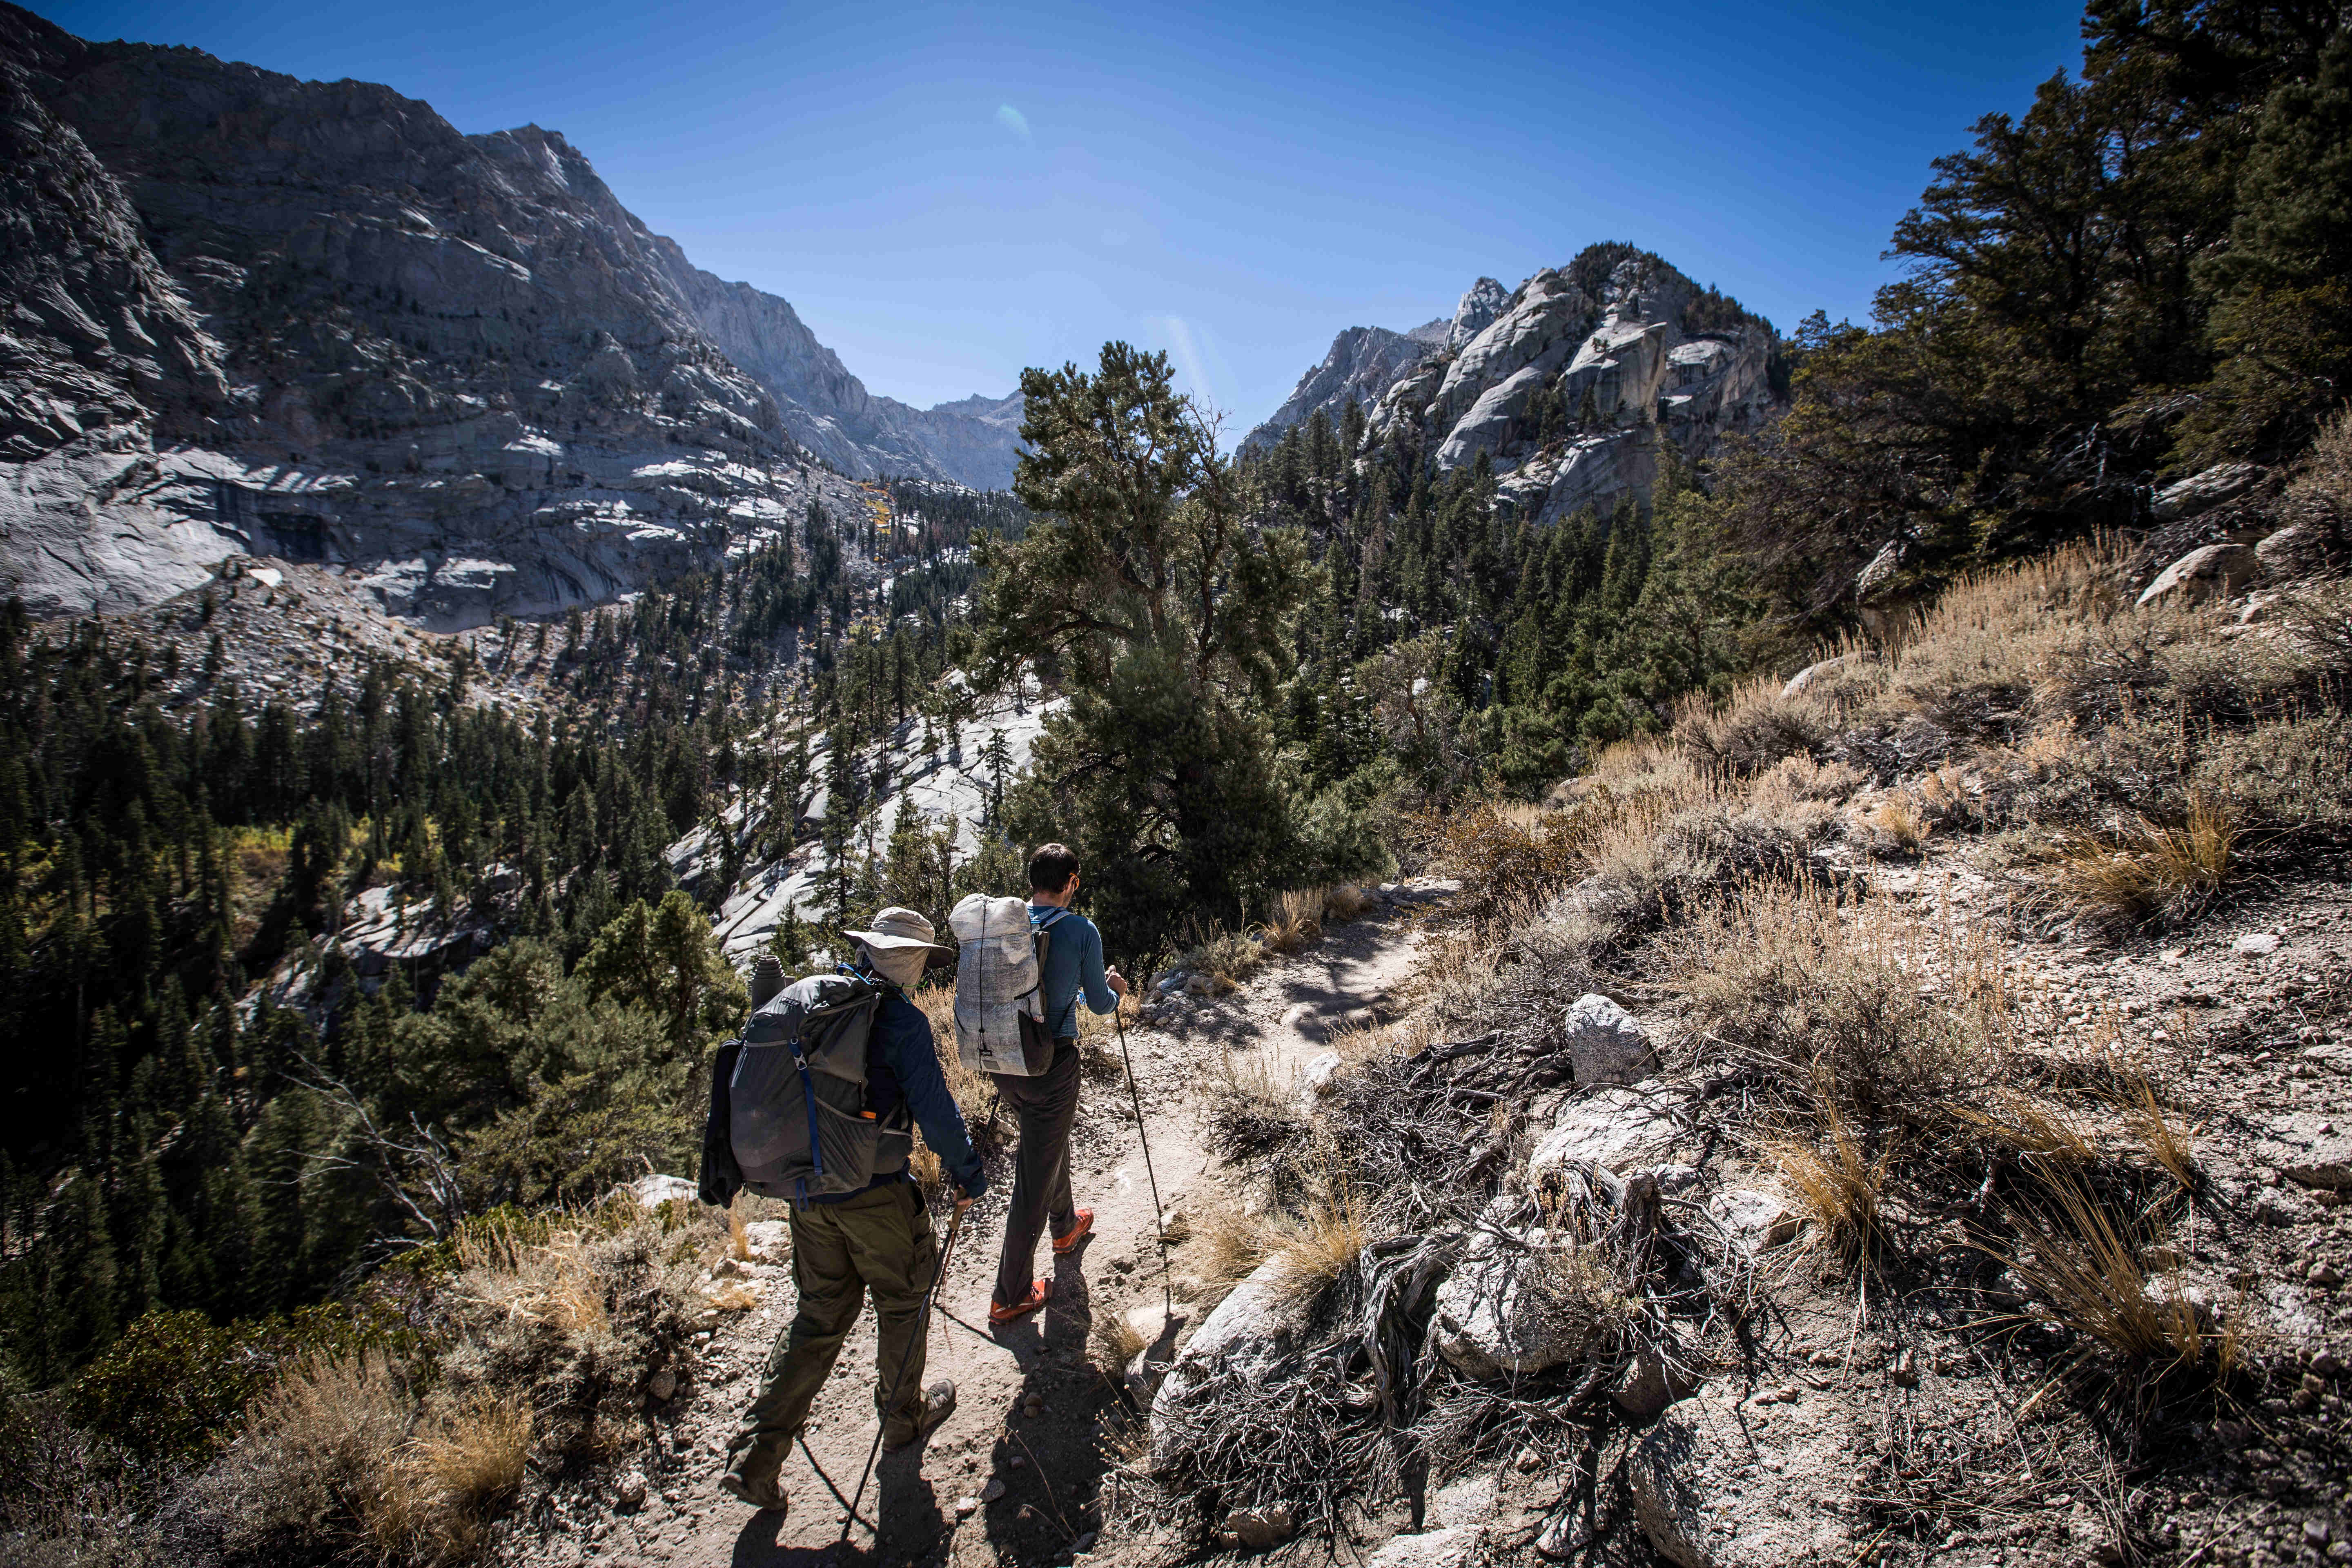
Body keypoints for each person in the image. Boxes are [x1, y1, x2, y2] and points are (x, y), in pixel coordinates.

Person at [719, 907, 986, 1515]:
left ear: (866, 950)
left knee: (817, 1318)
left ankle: (757, 1455)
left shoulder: (809, 1004)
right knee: (901, 1300)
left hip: (808, 1198)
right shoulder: (902, 1022)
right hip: (877, 1197)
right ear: (915, 962)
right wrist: (968, 1174)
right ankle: (901, 1418)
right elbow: (938, 1115)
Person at [986, 842, 1128, 1324]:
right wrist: (1117, 990)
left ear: (1032, 882)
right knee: (1033, 1173)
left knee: (1047, 1140)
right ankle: (1010, 1294)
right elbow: (1099, 1003)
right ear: (1071, 883)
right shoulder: (1080, 930)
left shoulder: (1007, 922)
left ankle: (1066, 1227)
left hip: (1003, 1058)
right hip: (1052, 1061)